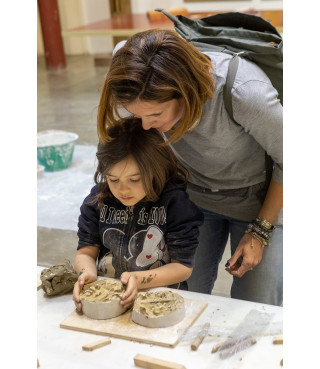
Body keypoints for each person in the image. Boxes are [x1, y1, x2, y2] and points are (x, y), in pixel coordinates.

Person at [96, 29, 283, 306]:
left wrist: (260, 231)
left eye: (156, 114)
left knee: (256, 306)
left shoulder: (244, 92)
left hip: (258, 200)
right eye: (138, 115)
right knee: (181, 297)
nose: (146, 127)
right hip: (192, 197)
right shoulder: (130, 67)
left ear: (185, 92)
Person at [73, 117, 204, 311]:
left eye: (134, 179)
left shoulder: (175, 204)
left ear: (155, 170)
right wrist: (87, 274)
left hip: (159, 301)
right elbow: (85, 252)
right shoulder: (97, 200)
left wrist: (136, 279)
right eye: (113, 179)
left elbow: (182, 267)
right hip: (110, 297)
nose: (123, 190)